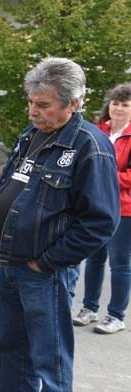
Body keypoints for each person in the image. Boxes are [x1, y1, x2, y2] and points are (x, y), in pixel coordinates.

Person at [0, 58, 119, 392]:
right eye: (30, 102)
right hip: (11, 265)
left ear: (73, 103)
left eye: (42, 105)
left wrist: (45, 262)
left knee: (50, 364)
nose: (32, 111)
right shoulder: (31, 136)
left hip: (45, 272)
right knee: (12, 355)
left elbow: (100, 222)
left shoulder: (91, 146)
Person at [72, 82, 131, 334]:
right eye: (115, 103)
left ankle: (116, 316)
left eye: (125, 105)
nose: (118, 108)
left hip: (124, 209)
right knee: (94, 258)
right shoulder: (99, 131)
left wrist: (103, 174)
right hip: (96, 205)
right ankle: (89, 309)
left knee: (120, 262)